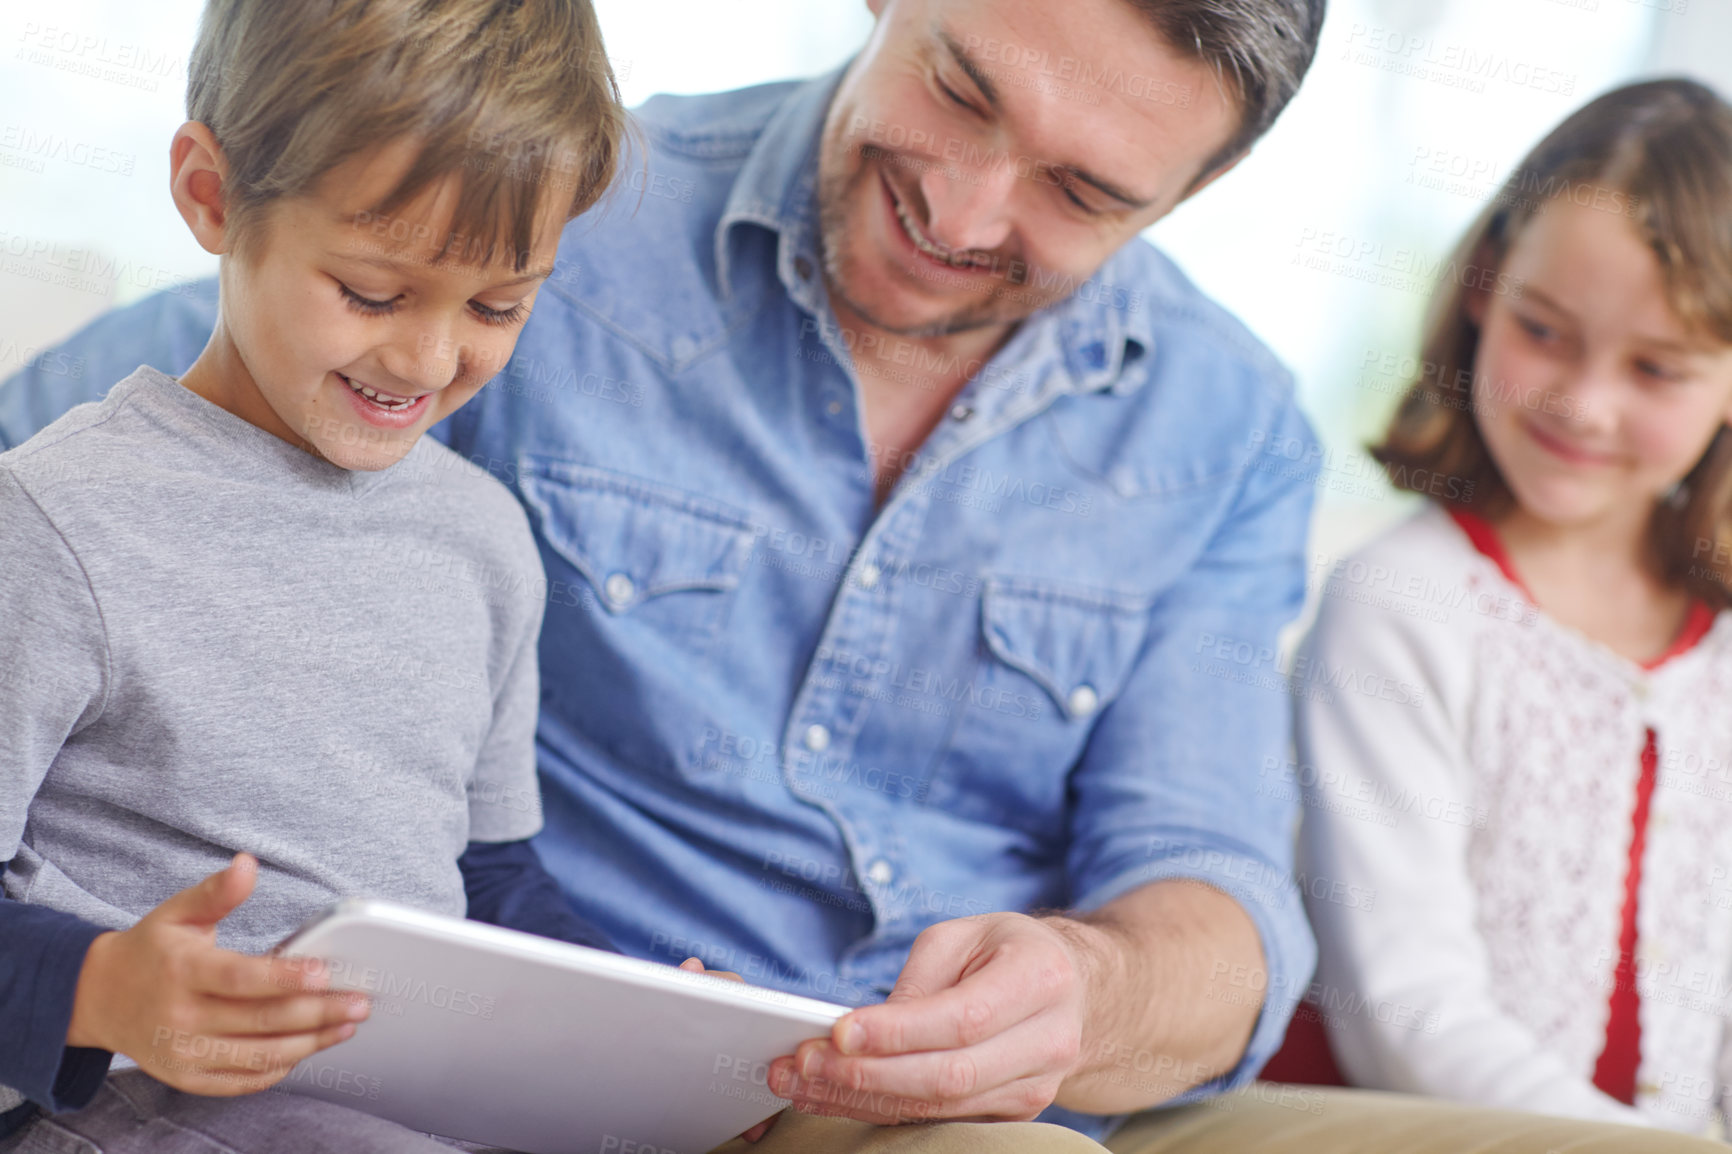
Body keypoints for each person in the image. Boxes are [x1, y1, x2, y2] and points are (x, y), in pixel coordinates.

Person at [5, 1, 1720, 1150]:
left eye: (1078, 189)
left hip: (925, 1104)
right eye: (962, 87)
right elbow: (172, 422)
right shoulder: (535, 225)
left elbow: (1210, 884)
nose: (963, 210)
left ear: (1190, 196)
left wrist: (1096, 989)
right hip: (510, 1081)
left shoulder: (1222, 428)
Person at [0, 0, 664, 1148]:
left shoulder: (485, 540)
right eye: (371, 292)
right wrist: (100, 988)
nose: (428, 357)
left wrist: (639, 1020)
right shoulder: (53, 526)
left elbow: (488, 874)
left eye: (499, 306)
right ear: (212, 196)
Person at [1294, 80, 1732, 1138]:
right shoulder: (1400, 606)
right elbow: (1405, 1013)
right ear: (1486, 284)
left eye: (1655, 367)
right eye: (1545, 329)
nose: (1583, 401)